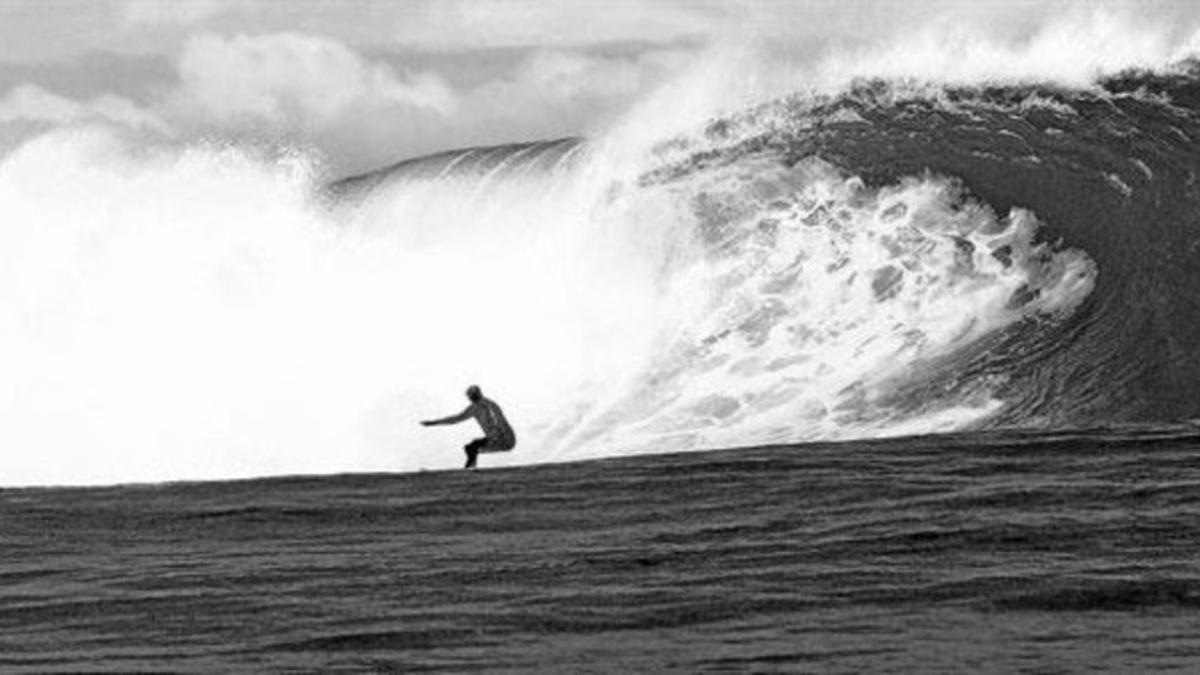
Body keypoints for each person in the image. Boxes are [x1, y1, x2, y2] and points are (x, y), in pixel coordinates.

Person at [421, 385, 516, 469]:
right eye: (471, 396)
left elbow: (499, 420)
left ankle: (470, 468)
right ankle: (471, 467)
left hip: (504, 438)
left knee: (473, 447)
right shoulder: (474, 408)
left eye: (474, 396)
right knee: (470, 448)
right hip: (497, 438)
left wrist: (501, 437)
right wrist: (433, 423)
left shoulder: (488, 405)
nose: (472, 399)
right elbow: (455, 419)